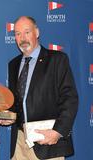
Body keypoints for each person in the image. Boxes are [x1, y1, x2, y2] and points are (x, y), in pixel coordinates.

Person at [8, 16, 78, 160]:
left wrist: (58, 132)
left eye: (27, 32)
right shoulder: (13, 64)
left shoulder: (57, 60)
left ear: (37, 32)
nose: (22, 38)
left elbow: (69, 99)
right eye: (17, 33)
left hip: (47, 142)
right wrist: (7, 117)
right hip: (19, 143)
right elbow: (17, 103)